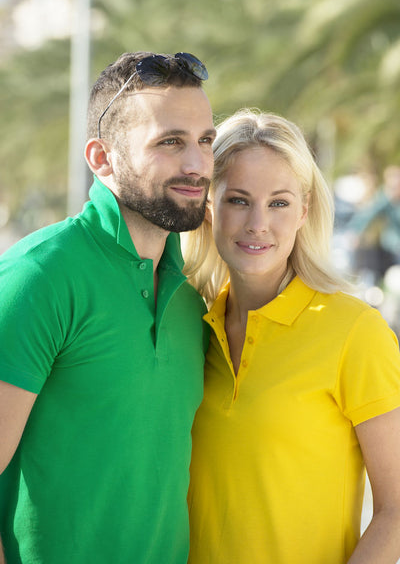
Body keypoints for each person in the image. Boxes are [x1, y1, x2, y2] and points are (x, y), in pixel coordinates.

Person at [0, 51, 216, 564]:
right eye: (170, 142)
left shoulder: (193, 297)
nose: (197, 164)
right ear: (102, 159)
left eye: (205, 140)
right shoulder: (39, 277)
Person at [183, 109, 400, 563]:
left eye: (278, 203)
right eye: (238, 200)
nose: (258, 223)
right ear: (208, 208)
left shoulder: (354, 332)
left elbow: (395, 511)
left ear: (304, 210)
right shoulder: (188, 326)